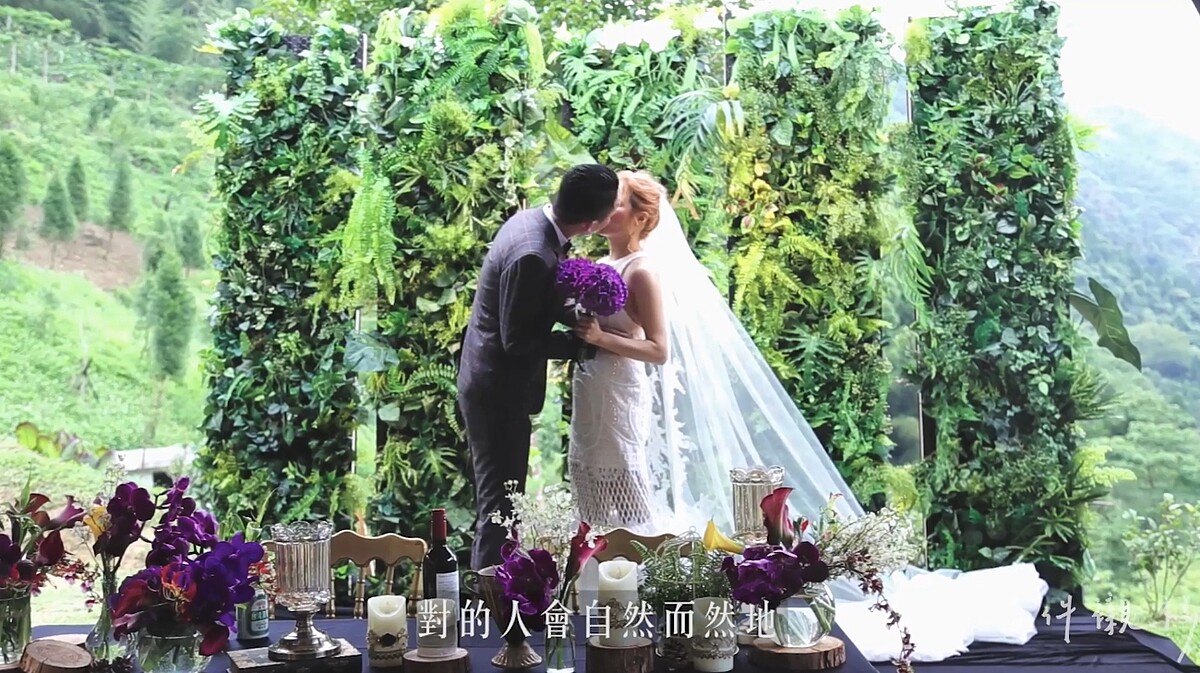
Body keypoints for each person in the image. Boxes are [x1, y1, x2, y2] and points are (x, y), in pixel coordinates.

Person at [568, 171, 1049, 663]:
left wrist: (600, 338)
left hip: (621, 399)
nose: (606, 210)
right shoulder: (604, 264)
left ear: (642, 216)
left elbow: (659, 350)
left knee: (629, 501)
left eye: (617, 202)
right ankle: (607, 611)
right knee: (595, 499)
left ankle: (638, 624)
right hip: (593, 392)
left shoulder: (643, 271)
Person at [458, 163, 619, 571]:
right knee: (500, 508)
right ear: (592, 224)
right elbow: (515, 341)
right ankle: (488, 601)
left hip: (494, 384)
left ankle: (493, 594)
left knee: (502, 502)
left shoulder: (533, 222)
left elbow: (533, 303)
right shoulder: (532, 253)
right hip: (497, 392)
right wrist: (581, 345)